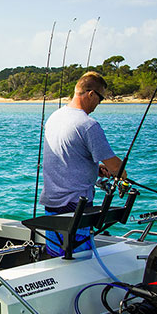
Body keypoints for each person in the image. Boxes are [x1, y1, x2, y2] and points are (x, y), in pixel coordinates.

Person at [39, 71, 126, 256]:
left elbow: (66, 155)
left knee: (57, 256)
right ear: (91, 94)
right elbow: (117, 168)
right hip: (76, 205)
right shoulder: (88, 124)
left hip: (52, 204)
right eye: (100, 99)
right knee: (78, 258)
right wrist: (122, 174)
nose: (98, 104)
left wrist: (95, 168)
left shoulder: (54, 117)